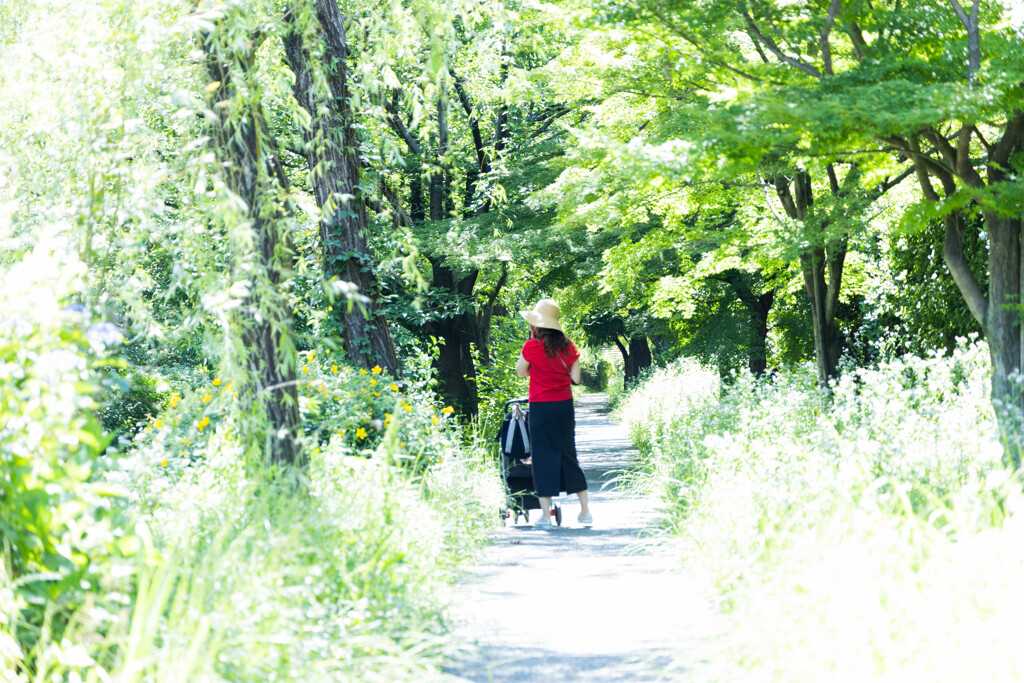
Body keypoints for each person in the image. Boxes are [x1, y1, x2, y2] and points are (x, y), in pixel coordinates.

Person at [515, 298, 592, 529]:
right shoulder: (570, 348)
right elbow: (576, 379)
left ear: (537, 325)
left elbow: (520, 373)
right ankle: (585, 511)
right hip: (564, 407)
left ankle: (546, 517)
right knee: (569, 455)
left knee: (542, 458)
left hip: (541, 407)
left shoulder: (530, 347)